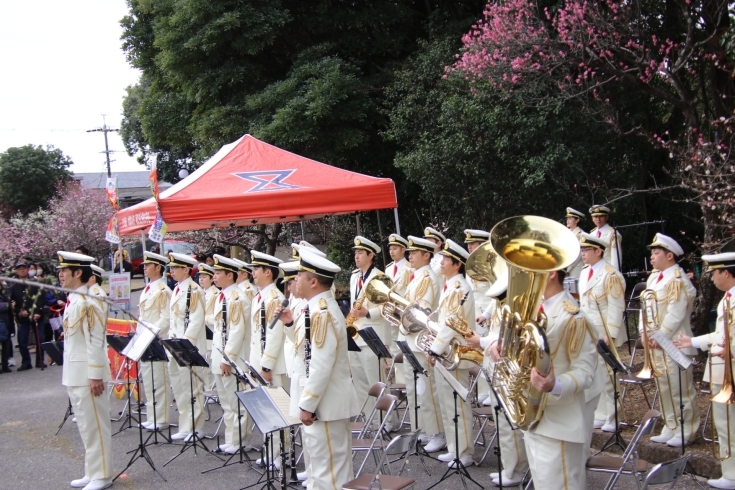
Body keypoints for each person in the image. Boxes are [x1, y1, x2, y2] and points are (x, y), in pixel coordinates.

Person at [491, 269, 598, 490]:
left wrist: (554, 384)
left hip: (558, 422)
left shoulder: (574, 317)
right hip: (531, 416)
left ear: (550, 274)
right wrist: (498, 347)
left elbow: (585, 373)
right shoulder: (530, 310)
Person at [277, 249, 359, 490]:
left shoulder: (322, 311)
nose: (294, 280)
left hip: (324, 404)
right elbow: (307, 351)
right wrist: (290, 324)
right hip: (321, 403)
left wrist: (307, 404)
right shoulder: (312, 308)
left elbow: (321, 364)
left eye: (299, 274)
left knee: (329, 473)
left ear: (313, 281)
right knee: (317, 468)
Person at [676, 252, 735, 490]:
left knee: (728, 423)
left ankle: (731, 474)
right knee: (725, 423)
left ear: (727, 273)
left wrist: (729, 351)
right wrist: (693, 342)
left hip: (729, 367)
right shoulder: (727, 298)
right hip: (723, 368)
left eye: (714, 274)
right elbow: (721, 335)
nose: (711, 279)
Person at [57, 251, 113, 490]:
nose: (59, 275)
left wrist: (95, 375)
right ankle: (92, 471)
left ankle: (102, 475)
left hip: (87, 375)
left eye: (64, 271)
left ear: (78, 273)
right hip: (75, 373)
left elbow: (96, 341)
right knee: (85, 426)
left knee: (96, 426)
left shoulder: (88, 303)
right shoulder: (74, 301)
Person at [642, 233, 700, 446]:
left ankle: (687, 429)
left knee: (680, 387)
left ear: (669, 256)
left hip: (674, 342)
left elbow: (676, 312)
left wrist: (660, 335)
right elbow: (646, 307)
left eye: (656, 253)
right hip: (656, 343)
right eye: (652, 253)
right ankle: (671, 424)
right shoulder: (653, 278)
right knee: (664, 386)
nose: (652, 257)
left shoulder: (678, 279)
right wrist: (644, 332)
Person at [427, 239, 476, 468]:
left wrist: (434, 348)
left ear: (457, 264)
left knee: (457, 404)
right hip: (446, 353)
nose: (442, 262)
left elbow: (451, 323)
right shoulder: (450, 287)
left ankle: (464, 452)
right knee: (448, 403)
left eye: (446, 259)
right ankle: (454, 447)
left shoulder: (459, 288)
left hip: (454, 353)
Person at [399, 236, 445, 452]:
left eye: (414, 252)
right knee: (414, 389)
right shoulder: (417, 276)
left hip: (419, 339)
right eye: (410, 252)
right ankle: (424, 429)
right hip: (410, 339)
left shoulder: (427, 277)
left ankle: (436, 432)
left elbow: (421, 312)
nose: (410, 255)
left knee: (426, 389)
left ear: (427, 255)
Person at [577, 233, 627, 432]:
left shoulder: (610, 274)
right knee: (594, 373)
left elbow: (616, 306)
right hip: (588, 330)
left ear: (598, 251)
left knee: (609, 376)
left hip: (604, 330)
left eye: (586, 250)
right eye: (581, 250)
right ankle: (599, 413)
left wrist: (611, 334)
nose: (583, 254)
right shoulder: (584, 272)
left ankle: (614, 416)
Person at [210, 254, 251, 454]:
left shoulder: (236, 298)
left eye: (218, 273)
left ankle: (240, 440)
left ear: (230, 275)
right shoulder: (223, 296)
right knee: (226, 403)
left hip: (231, 360)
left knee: (237, 402)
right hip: (220, 357)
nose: (214, 276)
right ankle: (231, 439)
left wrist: (228, 359)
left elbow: (236, 331)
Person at [347, 236, 391, 424]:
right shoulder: (354, 276)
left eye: (360, 253)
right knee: (360, 381)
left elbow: (388, 306)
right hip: (355, 335)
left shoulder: (381, 277)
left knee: (376, 380)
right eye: (355, 252)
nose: (356, 256)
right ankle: (369, 419)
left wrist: (367, 313)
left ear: (371, 254)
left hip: (373, 334)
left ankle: (385, 421)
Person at [167, 252, 207, 441]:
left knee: (192, 387)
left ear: (185, 269)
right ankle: (185, 424)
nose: (171, 270)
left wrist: (185, 343)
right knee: (179, 387)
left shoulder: (194, 290)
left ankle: (196, 427)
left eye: (175, 268)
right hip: (174, 344)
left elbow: (196, 320)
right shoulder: (177, 289)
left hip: (187, 346)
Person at [280, 260, 310, 485]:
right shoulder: (293, 302)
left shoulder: (304, 305)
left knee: (309, 428)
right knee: (303, 427)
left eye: (293, 281)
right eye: (290, 282)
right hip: (294, 364)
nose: (291, 286)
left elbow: (302, 342)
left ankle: (312, 469)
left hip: (303, 366)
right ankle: (309, 468)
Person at [138, 252, 172, 430]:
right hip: (144, 340)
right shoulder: (148, 288)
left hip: (156, 340)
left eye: (148, 265)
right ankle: (152, 415)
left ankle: (162, 418)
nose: (144, 267)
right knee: (148, 379)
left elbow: (166, 319)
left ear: (158, 268)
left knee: (159, 380)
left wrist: (150, 333)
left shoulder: (163, 291)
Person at [384, 233, 411, 385]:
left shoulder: (410, 268)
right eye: (390, 249)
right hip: (390, 314)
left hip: (402, 313)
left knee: (404, 347)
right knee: (394, 349)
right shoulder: (388, 270)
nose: (392, 252)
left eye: (395, 248)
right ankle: (400, 384)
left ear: (403, 249)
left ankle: (407, 382)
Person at [10, 260, 42, 371]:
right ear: (16, 271)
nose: (22, 271)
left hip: (35, 315)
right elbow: (12, 302)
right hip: (22, 317)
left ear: (28, 270)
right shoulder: (13, 287)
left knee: (39, 339)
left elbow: (41, 299)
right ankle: (26, 362)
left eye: (24, 268)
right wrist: (20, 311)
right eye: (19, 269)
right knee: (22, 340)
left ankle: (40, 360)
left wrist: (37, 311)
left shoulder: (35, 283)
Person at [199, 262, 218, 390]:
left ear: (211, 279)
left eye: (205, 277)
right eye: (200, 277)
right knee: (203, 366)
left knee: (210, 366)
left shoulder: (215, 294)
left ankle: (211, 389)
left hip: (211, 332)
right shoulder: (200, 293)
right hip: (202, 335)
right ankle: (205, 388)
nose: (201, 280)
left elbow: (216, 317)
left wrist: (203, 319)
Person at [588, 205, 622, 271]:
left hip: (607, 271)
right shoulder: (591, 234)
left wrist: (614, 273)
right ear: (592, 218)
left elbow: (616, 258)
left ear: (606, 217)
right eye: (595, 216)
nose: (598, 219)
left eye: (601, 216)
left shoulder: (613, 234)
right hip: (594, 271)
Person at [565, 207, 587, 280]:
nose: (568, 221)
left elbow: (579, 254)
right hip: (565, 267)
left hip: (576, 268)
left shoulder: (581, 234)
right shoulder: (566, 233)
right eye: (567, 218)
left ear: (577, 220)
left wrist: (567, 269)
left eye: (570, 219)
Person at [0, 278, 13, 373]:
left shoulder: (5, 289)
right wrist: (7, 305)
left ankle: (5, 365)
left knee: (6, 344)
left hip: (6, 320)